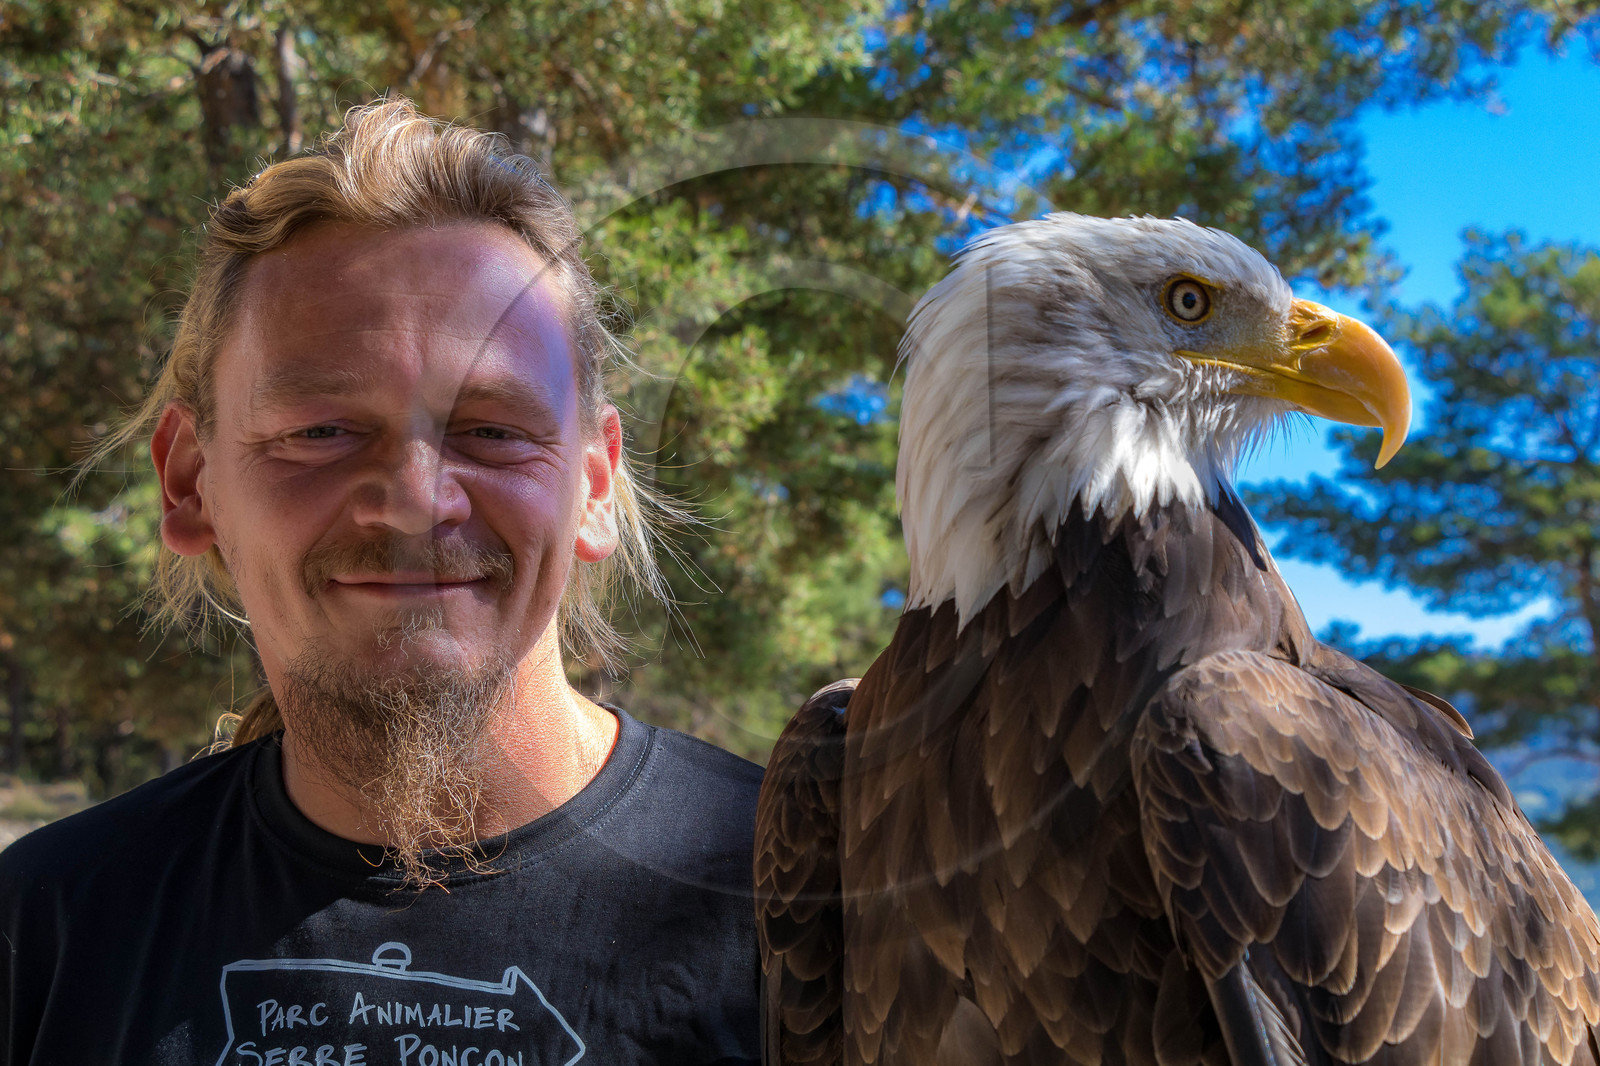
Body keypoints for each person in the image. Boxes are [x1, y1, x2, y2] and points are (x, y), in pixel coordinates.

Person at [0, 97, 762, 1066]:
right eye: (320, 430)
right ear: (191, 480)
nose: (414, 502)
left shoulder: (814, 906)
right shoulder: (49, 932)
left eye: (491, 429)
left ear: (595, 487)